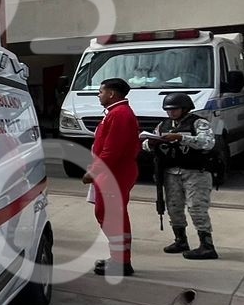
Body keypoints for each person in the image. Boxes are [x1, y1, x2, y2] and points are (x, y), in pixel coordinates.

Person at [144, 92, 219, 260]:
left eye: (175, 109)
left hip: (195, 172)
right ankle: (180, 240)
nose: (171, 113)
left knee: (197, 207)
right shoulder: (163, 125)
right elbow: (146, 144)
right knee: (174, 207)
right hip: (171, 172)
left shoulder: (198, 122)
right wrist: (151, 142)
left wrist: (180, 137)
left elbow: (207, 142)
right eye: (168, 110)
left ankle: (207, 245)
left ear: (185, 108)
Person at [84, 77, 140, 278]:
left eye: (101, 92)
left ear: (111, 94)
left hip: (115, 173)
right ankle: (119, 258)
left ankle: (122, 261)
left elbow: (112, 150)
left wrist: (94, 171)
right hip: (113, 172)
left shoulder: (120, 114)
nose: (99, 95)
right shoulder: (116, 113)